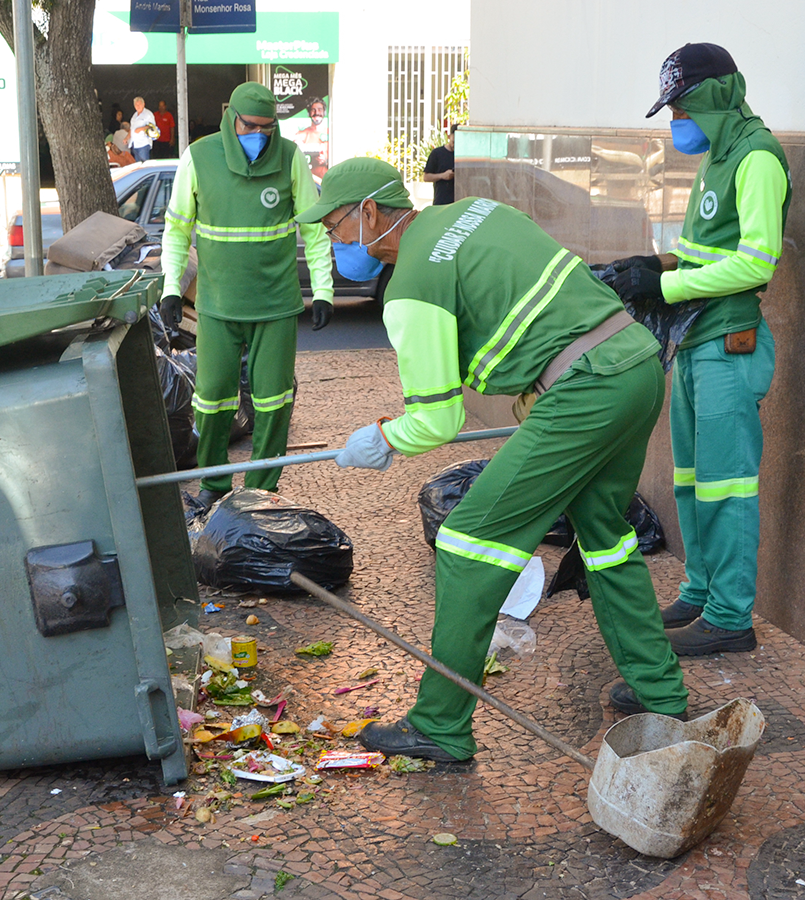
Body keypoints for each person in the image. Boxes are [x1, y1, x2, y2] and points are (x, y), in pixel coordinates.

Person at [297, 157, 689, 761]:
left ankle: (441, 725)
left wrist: (381, 437)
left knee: (466, 541)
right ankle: (661, 695)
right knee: (606, 535)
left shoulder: (411, 286)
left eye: (336, 228)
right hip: (635, 362)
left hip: (586, 389)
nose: (334, 242)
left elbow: (437, 419)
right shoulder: (476, 214)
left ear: (369, 211)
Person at [607, 43, 789, 659]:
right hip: (695, 342)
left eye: (680, 107)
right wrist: (648, 266)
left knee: (726, 486)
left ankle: (731, 618)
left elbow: (757, 260)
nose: (674, 121)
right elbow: (707, 250)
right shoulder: (719, 156)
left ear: (712, 97)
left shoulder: (757, 157)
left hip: (729, 346)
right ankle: (701, 592)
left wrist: (665, 284)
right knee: (691, 481)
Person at [158, 83, 335, 507]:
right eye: (251, 126)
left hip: (275, 305)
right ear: (230, 118)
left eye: (267, 127)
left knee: (274, 402)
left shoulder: (290, 158)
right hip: (218, 306)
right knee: (212, 399)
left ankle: (262, 491)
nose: (260, 134)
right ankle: (212, 484)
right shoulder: (199, 158)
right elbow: (177, 230)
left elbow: (313, 229)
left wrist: (324, 290)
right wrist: (170, 289)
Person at [423, 124, 457, 205]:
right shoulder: (437, 153)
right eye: (453, 142)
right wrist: (442, 176)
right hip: (441, 201)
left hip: (459, 201)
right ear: (449, 137)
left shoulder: (463, 155)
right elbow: (426, 177)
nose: (455, 145)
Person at [129, 97, 157, 163]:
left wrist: (141, 129)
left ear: (143, 104)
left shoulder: (148, 114)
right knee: (138, 165)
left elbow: (152, 127)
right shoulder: (134, 115)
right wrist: (126, 138)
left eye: (139, 104)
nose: (138, 106)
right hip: (135, 144)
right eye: (136, 105)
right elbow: (132, 129)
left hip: (143, 143)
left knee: (145, 164)